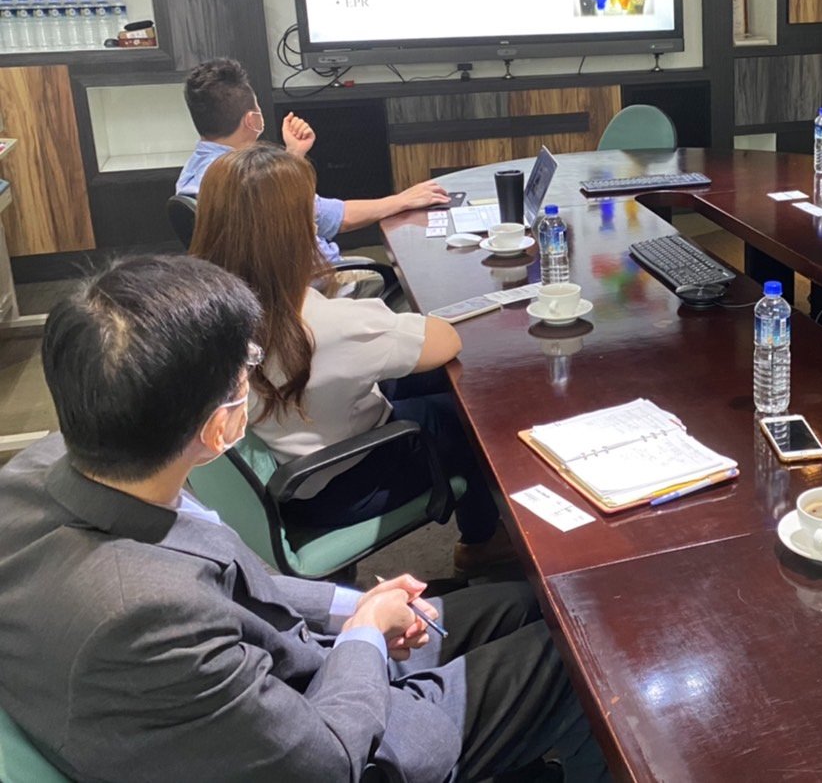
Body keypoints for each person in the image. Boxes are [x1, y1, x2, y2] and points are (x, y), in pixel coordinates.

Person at [0, 254, 609, 782]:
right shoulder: (147, 616)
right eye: (246, 366)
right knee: (587, 657)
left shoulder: (37, 473)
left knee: (535, 604)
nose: (252, 375)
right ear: (217, 427)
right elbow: (328, 760)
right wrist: (366, 634)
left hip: (294, 671)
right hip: (344, 739)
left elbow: (240, 589)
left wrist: (357, 608)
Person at [190, 143, 505, 575]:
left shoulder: (203, 313)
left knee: (428, 382)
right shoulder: (324, 325)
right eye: (309, 217)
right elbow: (446, 341)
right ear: (291, 235)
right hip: (342, 479)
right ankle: (482, 543)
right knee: (468, 414)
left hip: (289, 456)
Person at [175, 58, 446, 271]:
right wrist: (402, 200)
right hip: (320, 283)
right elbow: (334, 218)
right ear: (251, 120)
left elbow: (275, 206)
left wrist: (293, 154)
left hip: (268, 292)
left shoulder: (193, 175)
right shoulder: (249, 176)